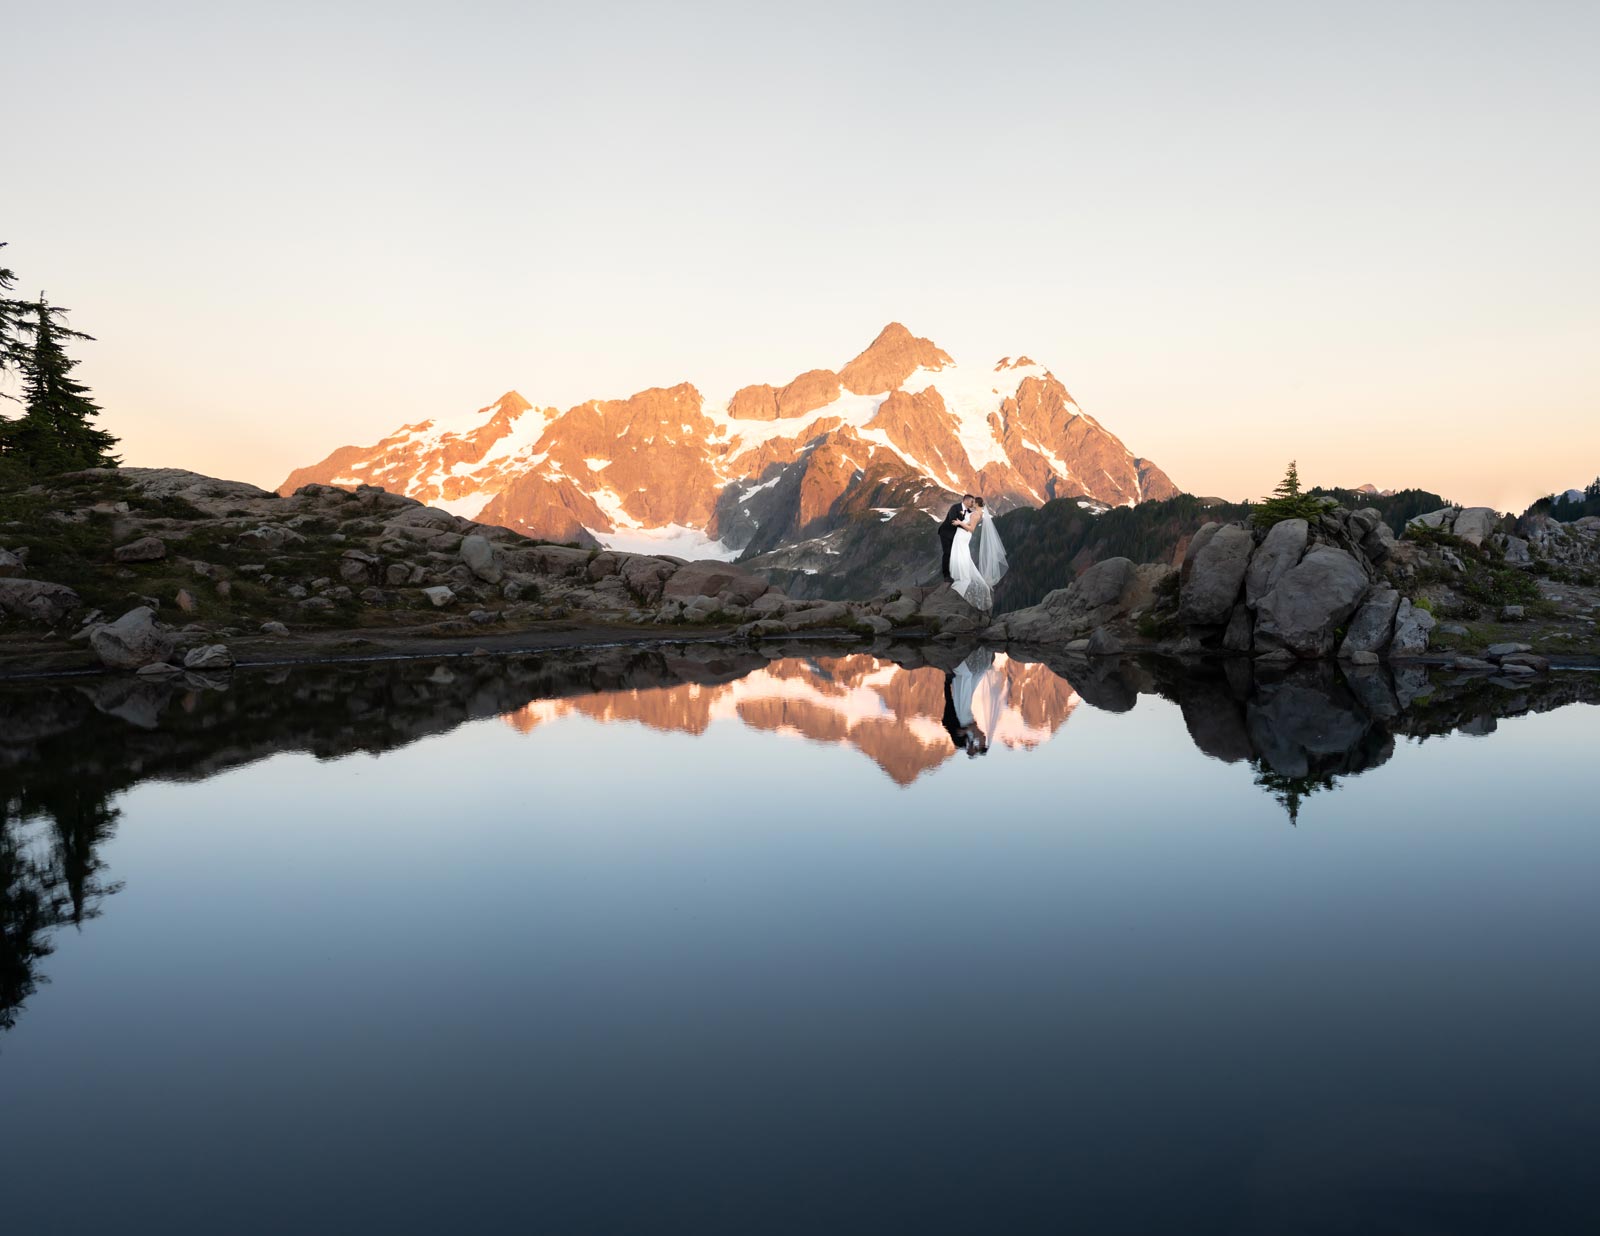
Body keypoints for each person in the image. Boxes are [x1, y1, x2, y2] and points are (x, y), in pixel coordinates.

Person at [948, 496, 1008, 611]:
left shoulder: (976, 514)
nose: (971, 503)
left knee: (962, 555)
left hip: (963, 535)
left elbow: (971, 528)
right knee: (962, 554)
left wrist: (959, 522)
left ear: (976, 504)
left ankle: (963, 576)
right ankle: (962, 574)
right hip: (962, 535)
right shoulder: (977, 512)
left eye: (973, 502)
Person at [938, 494, 974, 581]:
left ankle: (956, 574)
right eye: (971, 501)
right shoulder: (955, 507)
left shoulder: (969, 511)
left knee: (955, 554)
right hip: (946, 533)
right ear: (965, 500)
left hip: (956, 536)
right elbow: (952, 521)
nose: (973, 503)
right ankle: (946, 575)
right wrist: (966, 527)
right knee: (947, 553)